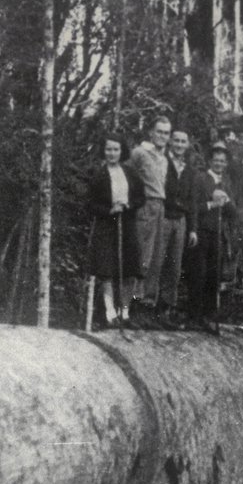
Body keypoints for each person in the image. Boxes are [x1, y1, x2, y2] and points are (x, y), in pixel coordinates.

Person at [86, 134, 145, 326]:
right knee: (107, 270)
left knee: (130, 269)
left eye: (116, 149)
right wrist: (109, 210)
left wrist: (127, 205)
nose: (112, 153)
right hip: (106, 226)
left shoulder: (130, 172)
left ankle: (125, 312)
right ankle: (110, 313)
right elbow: (89, 204)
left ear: (122, 151)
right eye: (108, 149)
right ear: (103, 151)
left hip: (127, 224)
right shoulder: (98, 173)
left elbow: (141, 198)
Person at [185, 142, 236, 332]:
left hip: (218, 234)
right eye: (216, 160)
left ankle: (209, 315)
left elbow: (233, 212)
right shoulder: (200, 179)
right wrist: (211, 204)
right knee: (198, 273)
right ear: (209, 161)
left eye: (222, 161)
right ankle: (194, 316)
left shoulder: (227, 183)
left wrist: (226, 200)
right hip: (202, 232)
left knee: (214, 276)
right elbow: (193, 207)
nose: (219, 164)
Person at [152, 127, 199, 327]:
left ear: (187, 145)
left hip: (180, 220)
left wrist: (193, 228)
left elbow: (193, 201)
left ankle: (166, 311)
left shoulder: (189, 170)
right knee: (156, 261)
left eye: (183, 142)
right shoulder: (162, 162)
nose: (179, 145)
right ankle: (146, 308)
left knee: (174, 265)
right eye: (176, 141)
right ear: (170, 141)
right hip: (163, 216)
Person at [127, 116, 171, 323]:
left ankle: (145, 305)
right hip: (145, 205)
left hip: (160, 206)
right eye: (159, 132)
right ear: (151, 133)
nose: (162, 136)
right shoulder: (139, 152)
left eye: (166, 133)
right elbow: (127, 174)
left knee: (155, 257)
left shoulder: (164, 158)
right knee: (141, 255)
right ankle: (129, 305)